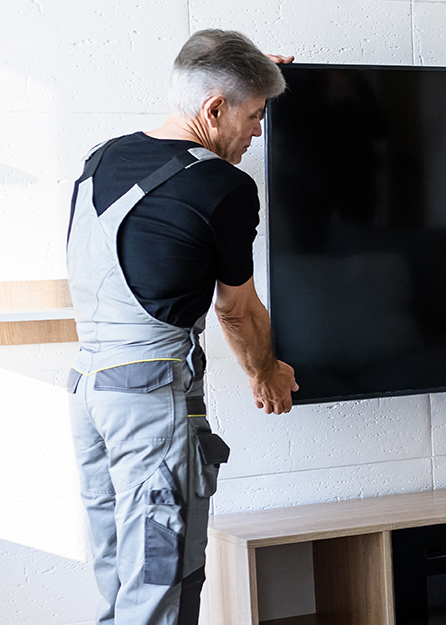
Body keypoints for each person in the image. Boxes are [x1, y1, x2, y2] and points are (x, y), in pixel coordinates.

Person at [66, 30, 298, 625]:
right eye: (253, 114)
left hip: (91, 392)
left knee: (122, 579)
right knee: (163, 582)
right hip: (150, 400)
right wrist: (265, 372)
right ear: (214, 108)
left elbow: (200, 105)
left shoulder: (102, 159)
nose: (259, 131)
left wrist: (248, 77)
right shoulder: (222, 188)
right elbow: (236, 311)